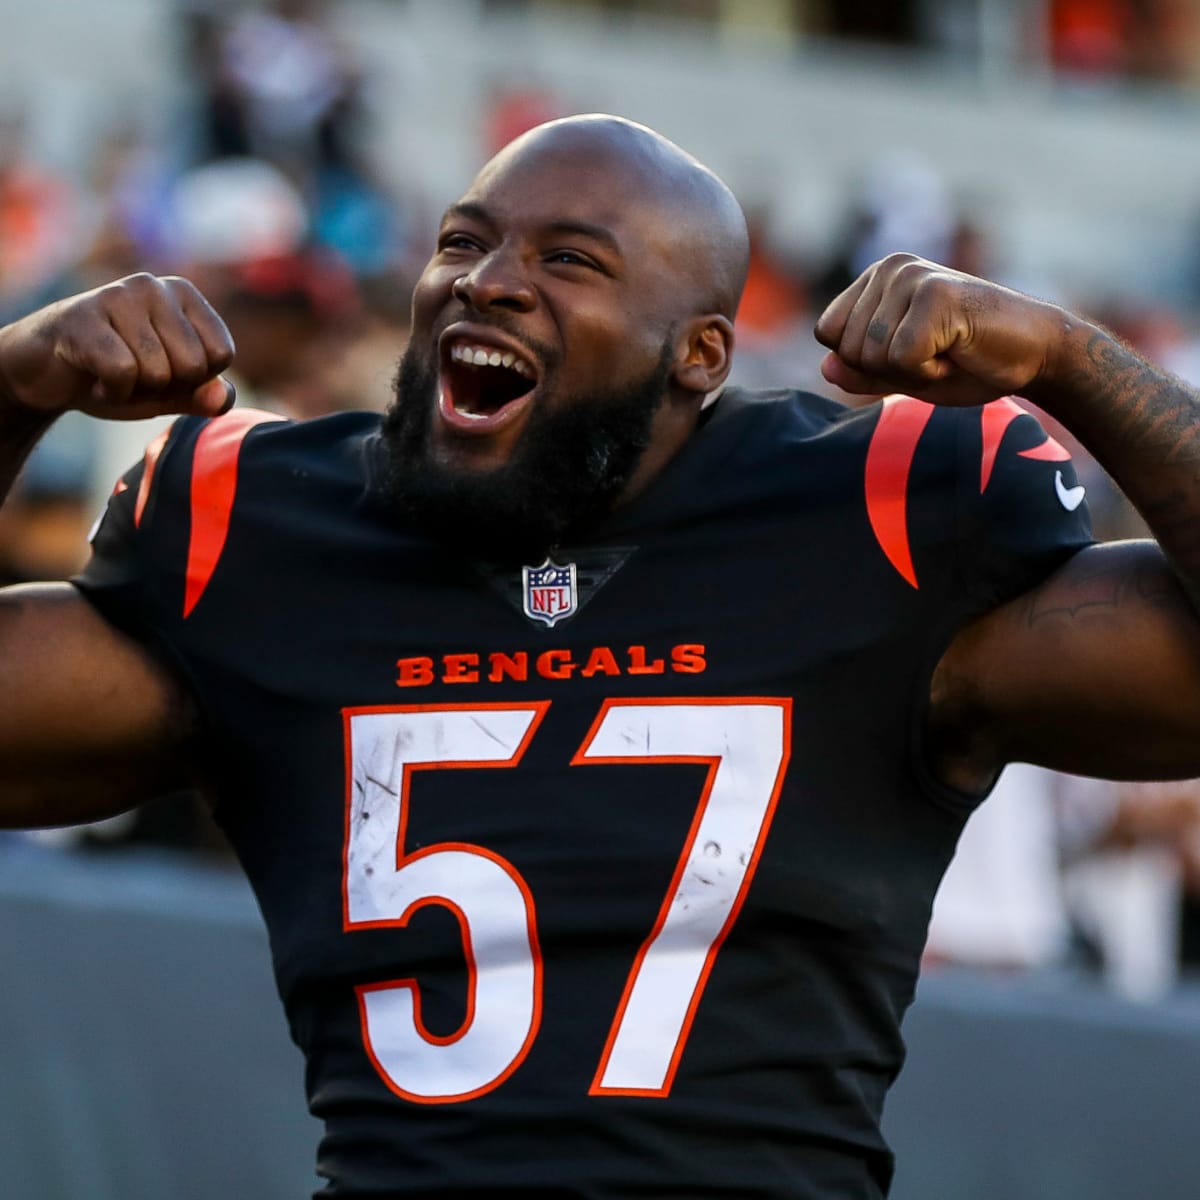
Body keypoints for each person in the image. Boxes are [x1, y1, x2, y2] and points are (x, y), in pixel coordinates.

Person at [2, 114, 1200, 1199]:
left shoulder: (872, 516)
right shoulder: (265, 530)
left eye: (567, 260)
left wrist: (1068, 361)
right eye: (464, 242)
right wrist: (18, 380)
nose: (488, 283)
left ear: (701, 355)